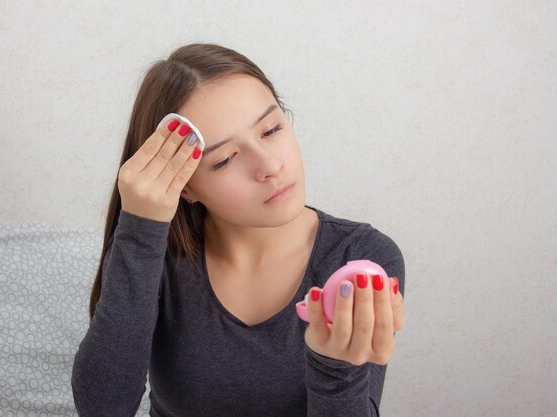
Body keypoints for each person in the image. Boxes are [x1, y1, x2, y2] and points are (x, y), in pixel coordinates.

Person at [71, 42, 406, 417]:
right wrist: (139, 228)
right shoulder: (158, 256)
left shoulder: (360, 258)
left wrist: (335, 368)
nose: (269, 165)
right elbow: (102, 409)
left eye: (271, 129)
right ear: (186, 187)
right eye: (225, 159)